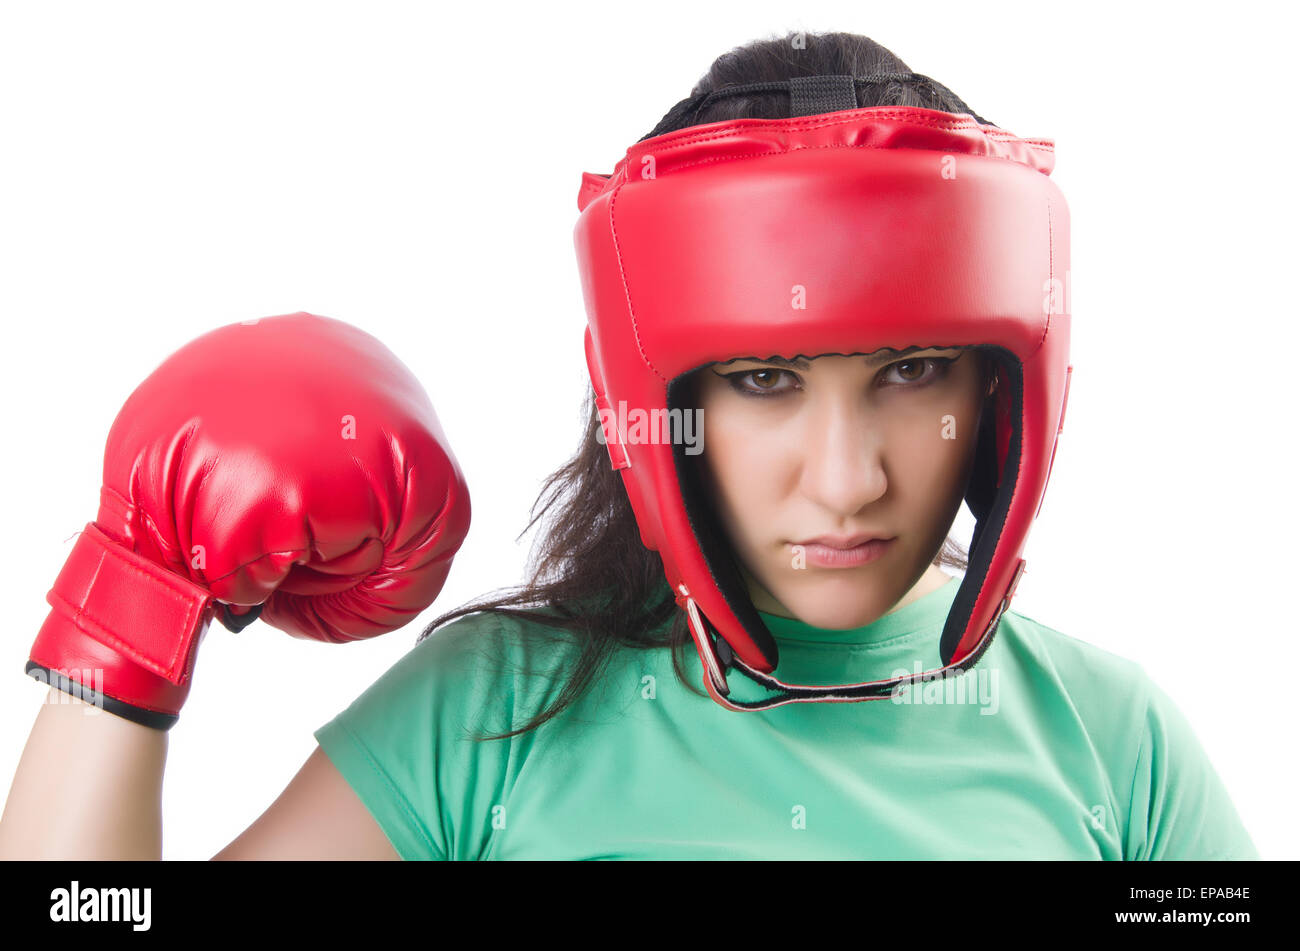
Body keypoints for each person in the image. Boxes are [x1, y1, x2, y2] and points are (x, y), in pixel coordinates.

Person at [0, 31, 1258, 861]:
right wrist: (137, 592)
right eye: (765, 380)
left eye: (911, 372)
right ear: (657, 416)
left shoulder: (1114, 743)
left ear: (1000, 393)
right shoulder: (492, 718)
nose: (847, 477)